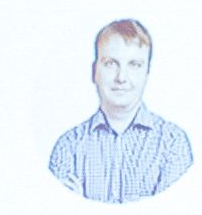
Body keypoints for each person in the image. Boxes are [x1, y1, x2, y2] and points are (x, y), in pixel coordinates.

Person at [45, 22, 193, 204]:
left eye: (134, 65)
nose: (121, 77)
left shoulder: (174, 143)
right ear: (94, 72)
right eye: (111, 64)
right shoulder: (68, 147)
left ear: (147, 73)